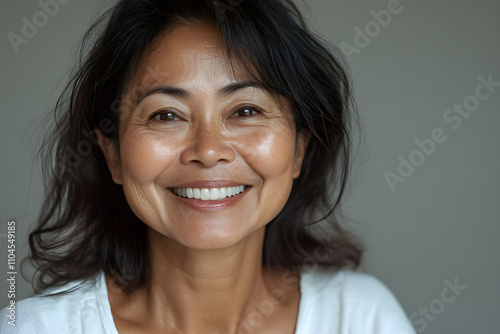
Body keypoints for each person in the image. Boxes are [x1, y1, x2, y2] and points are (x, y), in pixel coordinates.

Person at [1, 0, 416, 333]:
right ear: (112, 154)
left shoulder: (362, 317)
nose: (209, 150)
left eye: (247, 110)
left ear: (299, 149)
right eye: (166, 115)